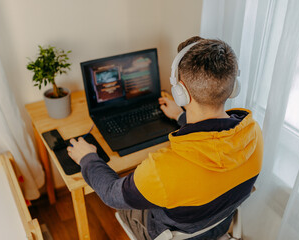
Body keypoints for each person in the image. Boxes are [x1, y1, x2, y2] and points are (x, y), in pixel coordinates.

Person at [67, 36, 263, 240]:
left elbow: (110, 193)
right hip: (218, 225)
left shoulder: (163, 169)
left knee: (124, 202)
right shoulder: (254, 135)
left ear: (181, 92)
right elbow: (215, 141)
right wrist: (181, 116)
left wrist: (88, 158)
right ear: (232, 87)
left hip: (166, 233)